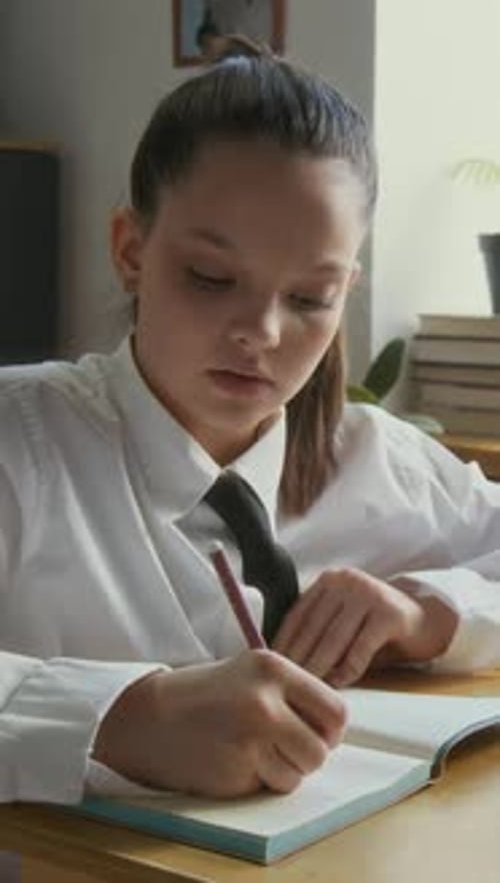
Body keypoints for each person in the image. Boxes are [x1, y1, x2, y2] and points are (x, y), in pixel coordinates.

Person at [1, 42, 499, 809]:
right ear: (131, 250)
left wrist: (428, 612)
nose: (261, 332)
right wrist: (120, 718)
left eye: (309, 299)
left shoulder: (375, 459)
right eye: (211, 278)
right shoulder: (22, 442)